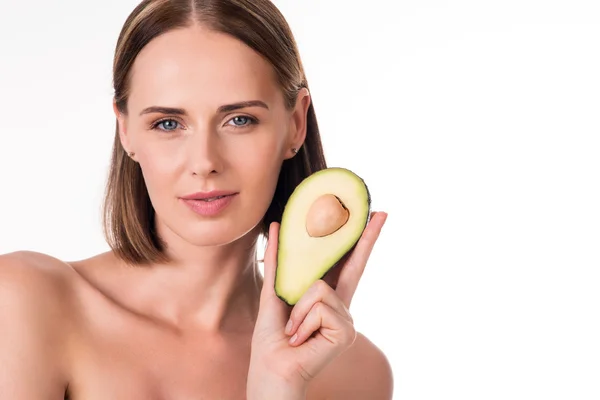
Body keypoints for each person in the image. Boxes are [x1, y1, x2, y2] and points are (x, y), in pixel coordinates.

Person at [0, 0, 393, 398]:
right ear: (126, 132)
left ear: (295, 125)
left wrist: (278, 387)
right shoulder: (24, 303)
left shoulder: (353, 372)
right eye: (168, 123)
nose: (204, 162)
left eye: (239, 120)